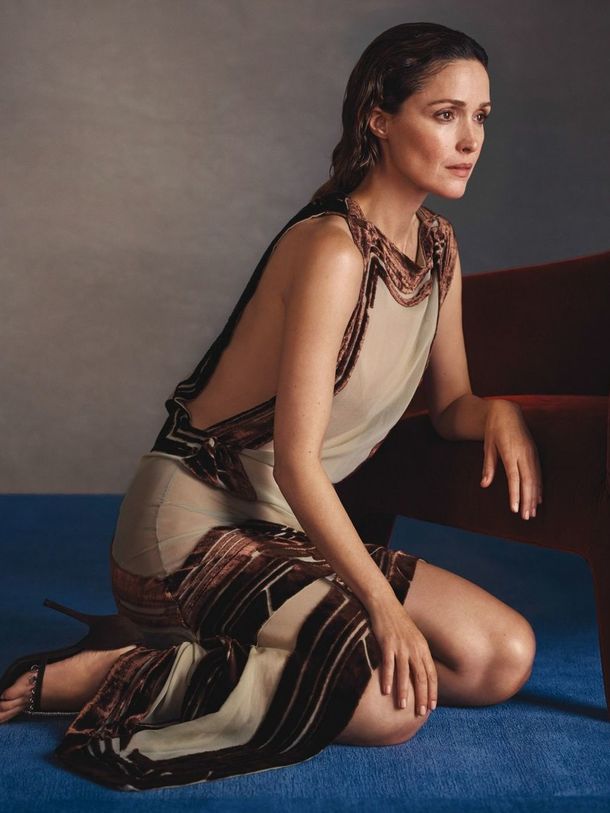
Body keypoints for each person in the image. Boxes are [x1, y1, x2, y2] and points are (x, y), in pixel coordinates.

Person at [0, 21, 542, 790]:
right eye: (444, 113)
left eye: (480, 116)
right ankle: (110, 671)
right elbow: (296, 464)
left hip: (288, 530)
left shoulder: (439, 247)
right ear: (380, 120)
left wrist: (497, 414)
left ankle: (208, 645)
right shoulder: (331, 249)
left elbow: (453, 404)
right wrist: (382, 607)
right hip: (192, 530)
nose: (469, 139)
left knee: (500, 657)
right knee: (390, 704)